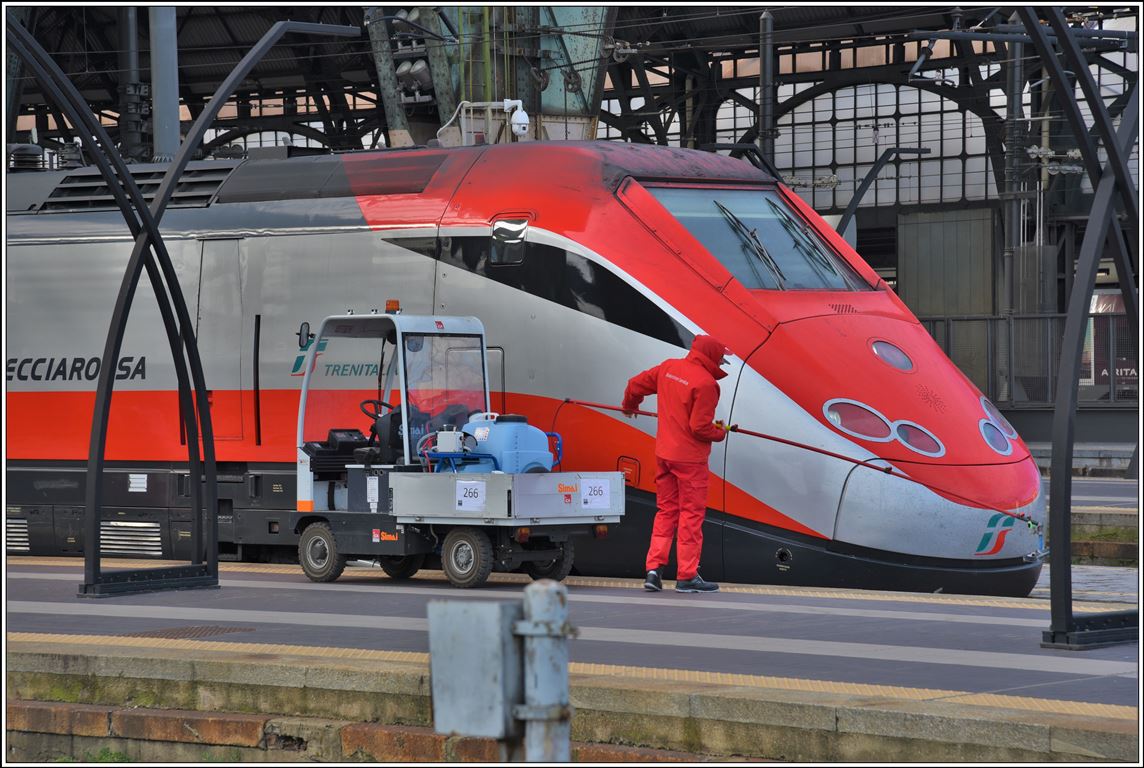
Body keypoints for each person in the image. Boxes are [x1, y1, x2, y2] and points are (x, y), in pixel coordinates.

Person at [622, 335, 734, 594]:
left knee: (666, 512)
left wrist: (630, 405)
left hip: (664, 455)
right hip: (690, 461)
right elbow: (699, 428)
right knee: (691, 516)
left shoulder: (668, 368)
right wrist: (720, 432)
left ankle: (653, 571)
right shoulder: (707, 384)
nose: (722, 362)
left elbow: (634, 385)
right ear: (711, 356)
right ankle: (686, 576)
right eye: (721, 358)